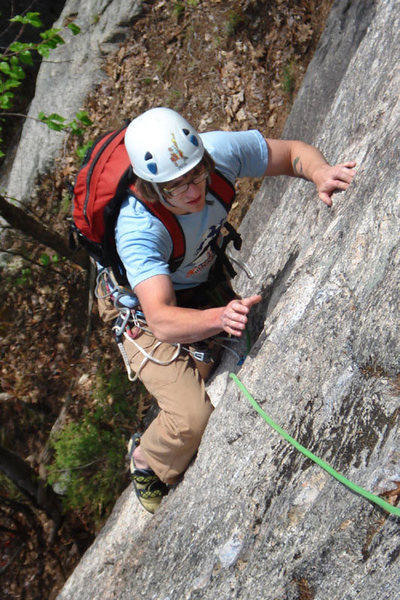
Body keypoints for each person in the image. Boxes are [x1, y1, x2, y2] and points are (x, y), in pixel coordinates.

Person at [97, 107, 356, 513]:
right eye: (176, 186)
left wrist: (320, 171)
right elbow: (162, 318)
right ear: (151, 190)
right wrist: (217, 317)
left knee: (208, 359)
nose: (193, 190)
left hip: (195, 279)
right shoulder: (139, 229)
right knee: (192, 418)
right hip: (143, 312)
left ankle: (187, 364)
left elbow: (289, 153)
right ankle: (146, 458)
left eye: (197, 174)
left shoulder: (217, 152)